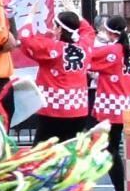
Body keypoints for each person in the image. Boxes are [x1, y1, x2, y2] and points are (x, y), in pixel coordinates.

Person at [20, 10, 94, 145]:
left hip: (53, 110)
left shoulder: (53, 48)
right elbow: (88, 31)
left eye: (55, 26)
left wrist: (30, 15)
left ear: (59, 29)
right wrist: (77, 15)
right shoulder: (84, 47)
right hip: (78, 109)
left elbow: (25, 38)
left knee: (42, 151)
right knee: (70, 151)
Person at [91, 18, 130, 191]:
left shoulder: (111, 51)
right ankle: (124, 188)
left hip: (112, 105)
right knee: (120, 147)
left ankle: (120, 190)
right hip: (129, 102)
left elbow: (87, 57)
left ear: (110, 33)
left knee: (109, 148)